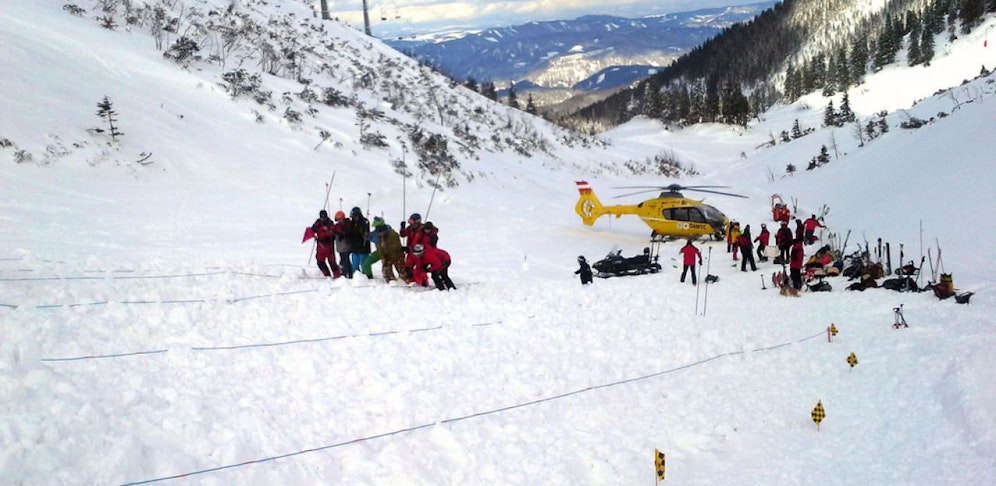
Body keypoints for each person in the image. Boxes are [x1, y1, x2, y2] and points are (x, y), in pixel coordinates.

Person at [310, 209, 341, 278]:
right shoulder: (317, 223)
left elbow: (333, 233)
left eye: (324, 217)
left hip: (329, 246)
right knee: (320, 262)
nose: (323, 219)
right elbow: (312, 230)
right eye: (322, 217)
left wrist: (328, 230)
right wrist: (313, 235)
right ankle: (327, 275)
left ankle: (338, 276)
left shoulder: (330, 223)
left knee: (332, 262)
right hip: (320, 246)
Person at [347, 207, 371, 276]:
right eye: (353, 217)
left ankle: (368, 277)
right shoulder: (351, 223)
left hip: (363, 247)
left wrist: (361, 232)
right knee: (355, 265)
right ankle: (356, 276)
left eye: (356, 216)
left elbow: (365, 234)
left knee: (365, 265)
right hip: (354, 247)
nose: (354, 218)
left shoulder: (365, 222)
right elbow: (350, 232)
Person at [332, 210, 354, 278]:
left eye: (340, 219)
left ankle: (348, 274)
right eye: (338, 219)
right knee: (344, 260)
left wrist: (342, 234)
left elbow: (349, 233)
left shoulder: (348, 224)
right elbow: (332, 231)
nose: (339, 221)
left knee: (346, 261)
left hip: (347, 246)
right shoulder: (336, 226)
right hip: (340, 247)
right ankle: (346, 274)